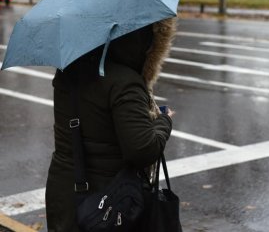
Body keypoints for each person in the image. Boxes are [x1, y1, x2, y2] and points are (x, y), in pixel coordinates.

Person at [45, 18, 176, 232]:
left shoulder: (66, 72)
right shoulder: (125, 82)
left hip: (63, 190)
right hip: (108, 202)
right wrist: (164, 121)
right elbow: (142, 150)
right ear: (141, 42)